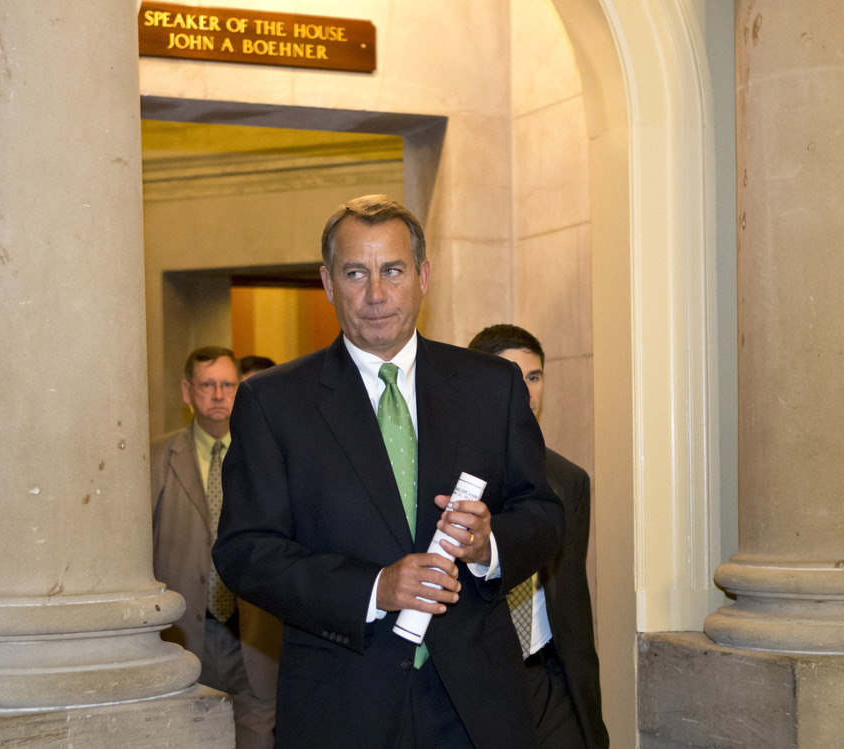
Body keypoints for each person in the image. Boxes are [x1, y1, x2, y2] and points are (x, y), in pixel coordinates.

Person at [213, 195, 564, 749]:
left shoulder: (491, 386)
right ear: (328, 283)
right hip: (342, 707)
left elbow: (543, 514)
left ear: (423, 277)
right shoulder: (273, 403)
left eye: (393, 271)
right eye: (356, 273)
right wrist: (374, 588)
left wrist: (488, 545)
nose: (376, 294)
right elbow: (244, 553)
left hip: (477, 709)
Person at [468, 324, 609, 748]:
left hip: (549, 683)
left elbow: (573, 602)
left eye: (534, 376)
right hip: (478, 685)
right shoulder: (450, 478)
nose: (526, 391)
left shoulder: (568, 480)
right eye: (511, 376)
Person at [150, 346, 277, 748]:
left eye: (228, 385)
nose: (219, 395)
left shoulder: (268, 452)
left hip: (253, 633)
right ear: (187, 391)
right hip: (185, 632)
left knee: (258, 735)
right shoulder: (156, 458)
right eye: (207, 385)